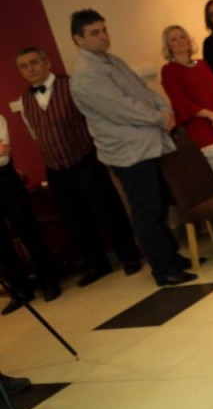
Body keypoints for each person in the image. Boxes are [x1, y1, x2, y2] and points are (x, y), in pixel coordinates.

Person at [69, 9, 197, 286]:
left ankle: (172, 257)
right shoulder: (87, 74)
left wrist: (165, 109)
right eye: (95, 33)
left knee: (159, 206)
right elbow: (121, 109)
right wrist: (158, 118)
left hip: (147, 144)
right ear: (79, 39)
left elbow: (142, 91)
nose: (103, 36)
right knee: (146, 211)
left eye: (104, 30)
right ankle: (163, 269)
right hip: (129, 152)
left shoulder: (112, 61)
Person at [16, 47, 142, 287]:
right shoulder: (25, 101)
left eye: (34, 62)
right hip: (55, 169)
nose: (30, 69)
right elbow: (36, 134)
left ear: (46, 63)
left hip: (85, 159)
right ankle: (97, 264)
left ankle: (129, 256)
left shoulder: (72, 86)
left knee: (108, 211)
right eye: (24, 66)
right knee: (76, 220)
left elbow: (92, 119)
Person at [0, 113, 62, 313]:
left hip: (5, 180)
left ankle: (49, 282)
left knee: (28, 231)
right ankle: (20, 291)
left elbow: (3, 155)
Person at [160, 25, 213, 148]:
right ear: (168, 46)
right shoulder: (168, 70)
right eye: (174, 39)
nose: (180, 41)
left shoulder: (202, 64)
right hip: (199, 125)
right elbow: (180, 101)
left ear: (189, 40)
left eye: (182, 37)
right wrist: (210, 115)